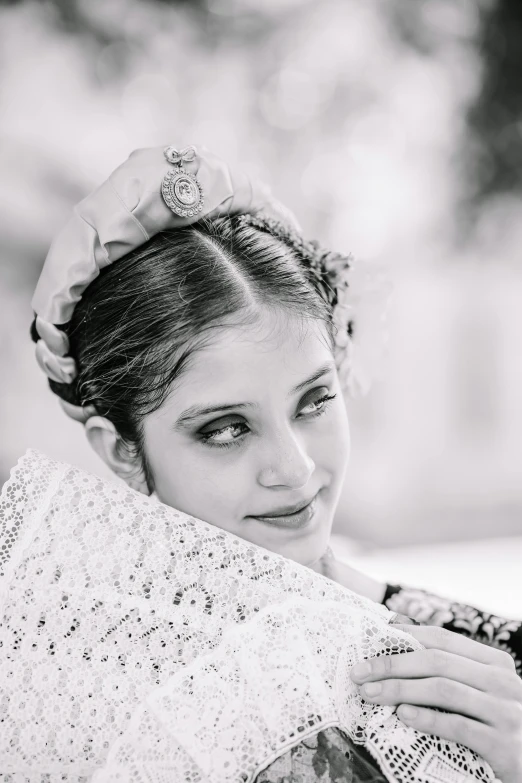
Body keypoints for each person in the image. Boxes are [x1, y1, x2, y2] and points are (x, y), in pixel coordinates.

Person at [13, 145, 522, 780]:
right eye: (226, 430)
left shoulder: (475, 648)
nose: (295, 467)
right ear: (122, 450)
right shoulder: (120, 714)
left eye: (315, 401)